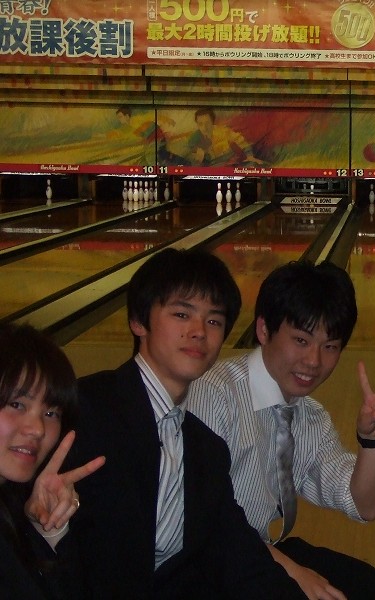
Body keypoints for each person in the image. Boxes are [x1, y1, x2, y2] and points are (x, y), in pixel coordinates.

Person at [60, 248, 302, 598]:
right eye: (181, 314)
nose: (199, 331)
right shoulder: (84, 409)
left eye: (214, 321)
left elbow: (241, 559)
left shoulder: (206, 450)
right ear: (138, 321)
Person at [188, 260, 375, 600]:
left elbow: (365, 506)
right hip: (201, 560)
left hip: (258, 550)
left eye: (330, 346)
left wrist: (372, 441)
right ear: (263, 330)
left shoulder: (309, 417)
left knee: (372, 589)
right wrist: (292, 570)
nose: (314, 361)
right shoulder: (215, 395)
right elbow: (205, 521)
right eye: (301, 340)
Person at [0, 323, 104, 600]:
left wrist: (49, 530)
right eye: (17, 404)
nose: (38, 429)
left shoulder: (15, 505)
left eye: (51, 413)